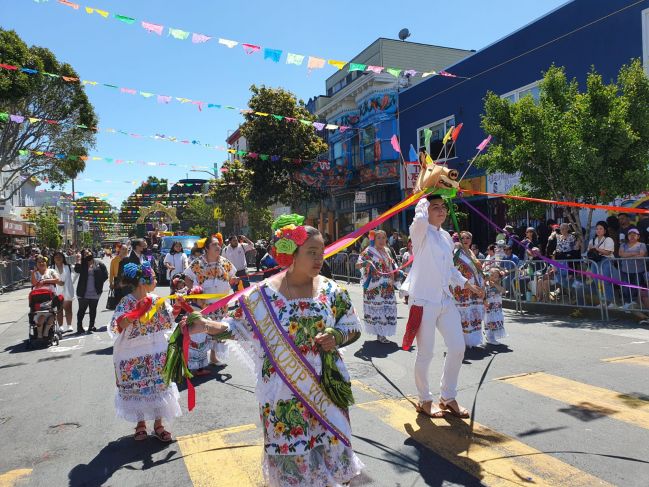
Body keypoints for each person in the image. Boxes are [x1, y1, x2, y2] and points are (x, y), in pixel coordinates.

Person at [182, 214, 364, 486]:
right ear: (291, 254)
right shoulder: (261, 295)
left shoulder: (332, 290)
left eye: (322, 252)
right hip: (282, 394)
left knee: (330, 456)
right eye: (311, 252)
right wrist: (207, 325)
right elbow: (238, 327)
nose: (319, 259)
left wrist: (336, 336)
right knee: (293, 462)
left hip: (325, 390)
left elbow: (353, 326)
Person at [400, 194, 484, 419]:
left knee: (458, 347)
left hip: (445, 300)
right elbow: (418, 220)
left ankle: (447, 396)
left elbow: (449, 270)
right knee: (426, 353)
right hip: (423, 300)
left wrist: (468, 284)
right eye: (434, 207)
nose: (440, 210)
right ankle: (425, 399)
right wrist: (424, 195)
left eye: (443, 207)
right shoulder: (420, 232)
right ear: (426, 210)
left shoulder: (446, 237)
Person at [109, 261, 181, 442]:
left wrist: (180, 306)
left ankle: (158, 424)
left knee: (158, 386)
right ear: (142, 282)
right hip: (132, 353)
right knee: (138, 387)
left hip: (156, 351)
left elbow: (169, 319)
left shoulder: (157, 299)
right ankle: (140, 423)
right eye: (154, 278)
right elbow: (116, 326)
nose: (156, 280)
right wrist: (135, 313)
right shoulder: (126, 302)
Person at [184, 237, 238, 373]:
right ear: (207, 248)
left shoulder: (225, 262)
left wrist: (233, 280)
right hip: (204, 305)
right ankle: (198, 362)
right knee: (203, 331)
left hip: (221, 303)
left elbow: (231, 278)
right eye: (214, 244)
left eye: (219, 244)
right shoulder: (198, 263)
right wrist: (195, 294)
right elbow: (188, 278)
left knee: (218, 329)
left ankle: (213, 357)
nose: (218, 246)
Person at [355, 230, 398, 343]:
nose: (382, 240)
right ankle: (380, 334)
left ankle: (383, 332)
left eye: (384, 238)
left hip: (387, 286)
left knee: (387, 309)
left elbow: (391, 266)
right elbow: (357, 265)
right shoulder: (368, 251)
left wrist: (394, 278)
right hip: (374, 288)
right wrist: (365, 263)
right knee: (379, 310)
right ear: (373, 239)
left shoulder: (387, 251)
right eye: (379, 238)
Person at [452, 231, 486, 348]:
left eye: (468, 238)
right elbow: (453, 270)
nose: (465, 240)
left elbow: (477, 270)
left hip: (475, 288)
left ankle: (473, 340)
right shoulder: (457, 253)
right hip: (462, 288)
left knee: (473, 314)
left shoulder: (471, 252)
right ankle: (462, 341)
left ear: (471, 241)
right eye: (463, 238)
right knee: (464, 315)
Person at [74, 249, 108, 334]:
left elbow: (105, 275)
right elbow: (77, 270)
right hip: (83, 291)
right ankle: (79, 326)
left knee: (93, 309)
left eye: (88, 253)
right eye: (84, 254)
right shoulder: (82, 264)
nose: (86, 255)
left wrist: (99, 283)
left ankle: (91, 325)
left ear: (91, 253)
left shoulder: (99, 264)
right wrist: (78, 260)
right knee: (82, 309)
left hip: (95, 291)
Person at [587, 221, 616, 308]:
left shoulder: (608, 239)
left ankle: (611, 302)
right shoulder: (592, 240)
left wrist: (597, 249)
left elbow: (608, 252)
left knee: (605, 281)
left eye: (601, 228)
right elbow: (588, 252)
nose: (598, 230)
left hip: (605, 260)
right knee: (597, 282)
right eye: (597, 229)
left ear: (605, 230)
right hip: (594, 262)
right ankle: (602, 301)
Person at [31, 255, 61, 339]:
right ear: (36, 264)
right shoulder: (35, 273)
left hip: (50, 297)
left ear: (46, 263)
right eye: (39, 262)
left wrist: (44, 281)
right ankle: (40, 334)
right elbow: (34, 283)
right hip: (38, 299)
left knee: (51, 316)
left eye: (43, 262)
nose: (41, 263)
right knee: (42, 317)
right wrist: (33, 273)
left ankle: (46, 332)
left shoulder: (51, 271)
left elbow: (57, 280)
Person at [618, 228, 647, 309]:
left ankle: (635, 305)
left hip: (638, 271)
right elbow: (621, 254)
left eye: (634, 235)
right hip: (625, 271)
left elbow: (641, 255)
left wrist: (627, 254)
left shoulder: (642, 245)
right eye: (630, 234)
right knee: (625, 289)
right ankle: (628, 304)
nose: (632, 236)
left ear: (638, 236)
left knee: (636, 288)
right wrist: (635, 253)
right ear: (627, 236)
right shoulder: (623, 245)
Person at [52, 251, 75, 333]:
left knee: (68, 309)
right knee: (59, 309)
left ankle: (69, 325)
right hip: (57, 291)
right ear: (53, 259)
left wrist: (70, 283)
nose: (58, 258)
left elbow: (75, 275)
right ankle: (61, 326)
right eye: (56, 257)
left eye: (60, 257)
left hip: (67, 290)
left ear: (63, 258)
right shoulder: (51, 268)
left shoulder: (68, 266)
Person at [483, 268, 507, 345]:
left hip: (497, 306)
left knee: (497, 320)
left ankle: (492, 336)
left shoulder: (499, 284)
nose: (493, 278)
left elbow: (503, 291)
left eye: (496, 276)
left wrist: (495, 284)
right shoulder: (486, 284)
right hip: (489, 305)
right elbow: (483, 293)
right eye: (492, 275)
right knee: (489, 320)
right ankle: (490, 337)